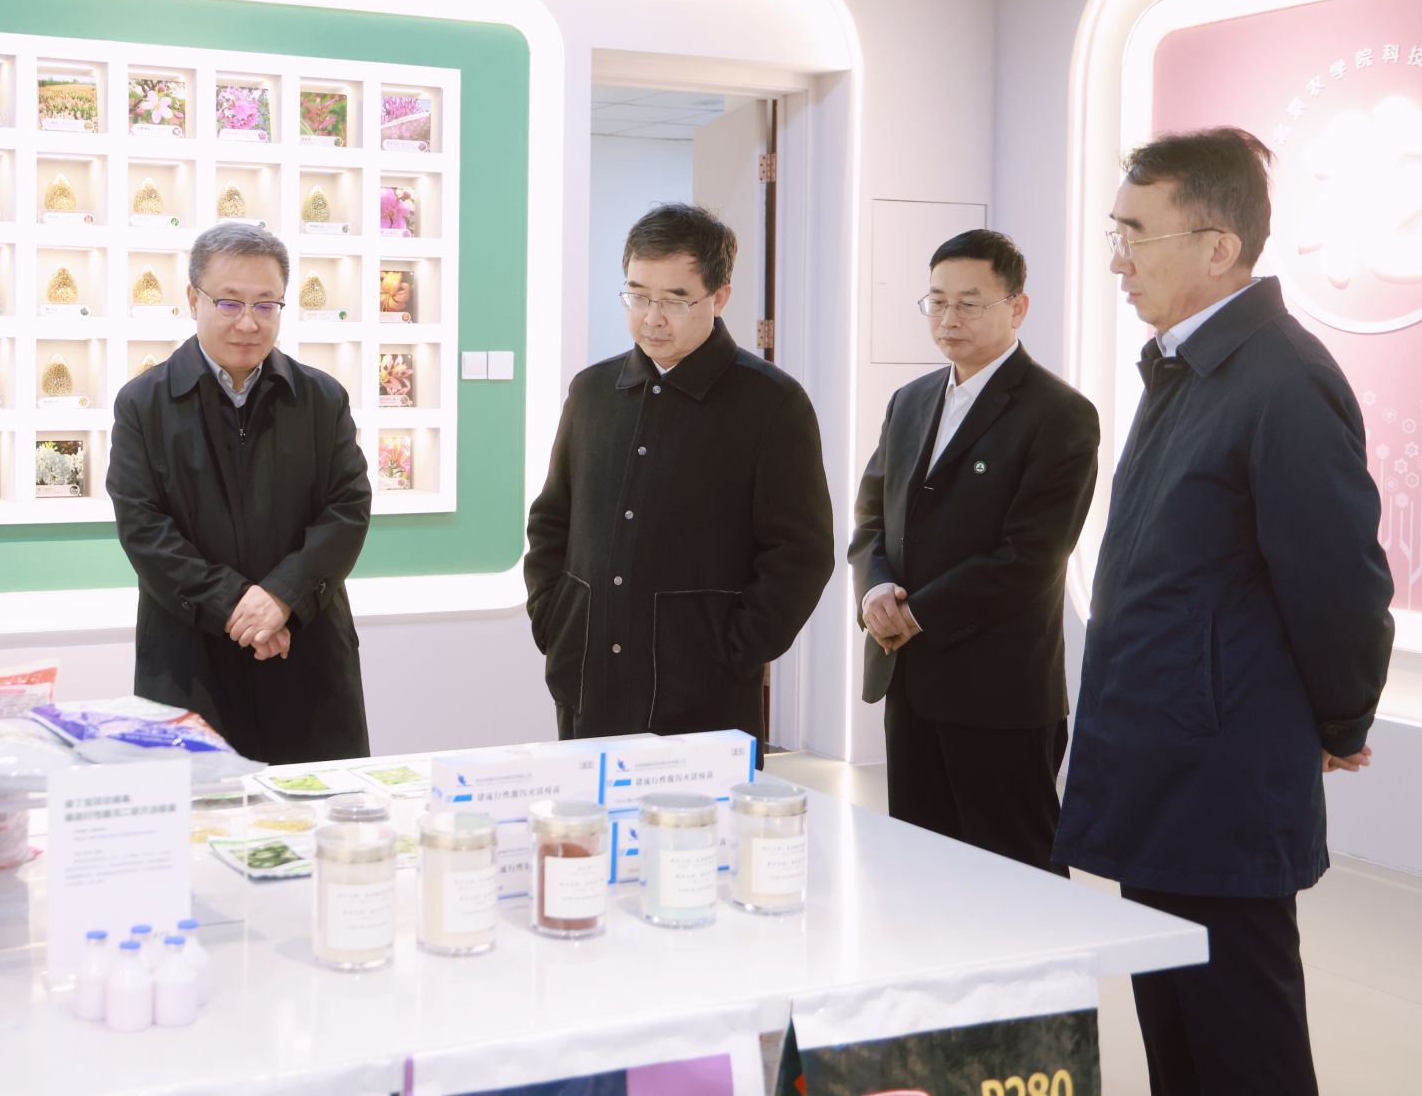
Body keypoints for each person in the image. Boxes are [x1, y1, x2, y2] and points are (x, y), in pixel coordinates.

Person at [1054, 129, 1395, 1094]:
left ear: (1218, 247)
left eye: (1137, 234)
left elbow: (1340, 582)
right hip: (1166, 763)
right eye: (1116, 232)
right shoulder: (1186, 367)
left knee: (1245, 1048)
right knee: (1179, 1042)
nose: (1118, 260)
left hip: (1218, 777)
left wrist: (1338, 720)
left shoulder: (1282, 379)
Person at [524, 202, 834, 741]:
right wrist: (554, 621)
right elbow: (552, 520)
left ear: (720, 296)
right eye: (638, 295)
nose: (652, 317)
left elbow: (800, 553)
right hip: (587, 682)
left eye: (674, 300)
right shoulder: (592, 392)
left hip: (705, 697)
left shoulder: (771, 403)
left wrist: (736, 650)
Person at [848, 229, 1098, 874]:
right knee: (921, 870)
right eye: (937, 301)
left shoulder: (1059, 413)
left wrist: (917, 613)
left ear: (1018, 307)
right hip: (908, 678)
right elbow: (872, 516)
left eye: (970, 303)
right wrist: (874, 590)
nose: (949, 318)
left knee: (1019, 876)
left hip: (998, 691)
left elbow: (1032, 555)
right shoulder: (911, 401)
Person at [108, 222, 373, 764]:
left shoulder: (322, 399)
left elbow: (347, 511)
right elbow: (145, 529)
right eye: (229, 303)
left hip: (305, 651)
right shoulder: (143, 404)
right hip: (191, 658)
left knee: (315, 806)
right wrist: (237, 606)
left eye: (266, 305)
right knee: (200, 808)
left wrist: (281, 598)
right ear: (193, 299)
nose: (248, 323)